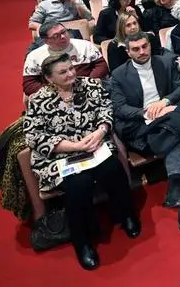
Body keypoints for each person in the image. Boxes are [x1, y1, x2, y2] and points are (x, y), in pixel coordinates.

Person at [23, 54, 139, 270]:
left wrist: (101, 131)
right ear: (49, 78)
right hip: (61, 155)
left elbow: (106, 109)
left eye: (71, 68)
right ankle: (82, 241)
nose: (71, 74)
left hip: (94, 145)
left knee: (113, 169)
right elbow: (34, 136)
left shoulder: (90, 86)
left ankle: (126, 214)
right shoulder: (38, 100)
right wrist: (74, 147)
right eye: (63, 72)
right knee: (79, 184)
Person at [107, 34, 180, 236]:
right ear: (128, 51)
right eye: (136, 49)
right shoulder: (118, 75)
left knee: (174, 133)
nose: (142, 52)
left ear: (150, 46)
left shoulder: (166, 62)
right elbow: (119, 108)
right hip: (141, 125)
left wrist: (165, 102)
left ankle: (178, 193)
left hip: (167, 115)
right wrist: (147, 111)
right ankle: (178, 186)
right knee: (179, 131)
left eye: (145, 46)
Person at [23, 21, 107, 95]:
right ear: (46, 41)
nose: (63, 36)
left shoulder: (85, 45)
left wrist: (88, 83)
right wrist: (54, 92)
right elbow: (29, 84)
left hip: (88, 89)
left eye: (64, 32)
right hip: (53, 95)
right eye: (56, 36)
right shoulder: (34, 56)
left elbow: (101, 65)